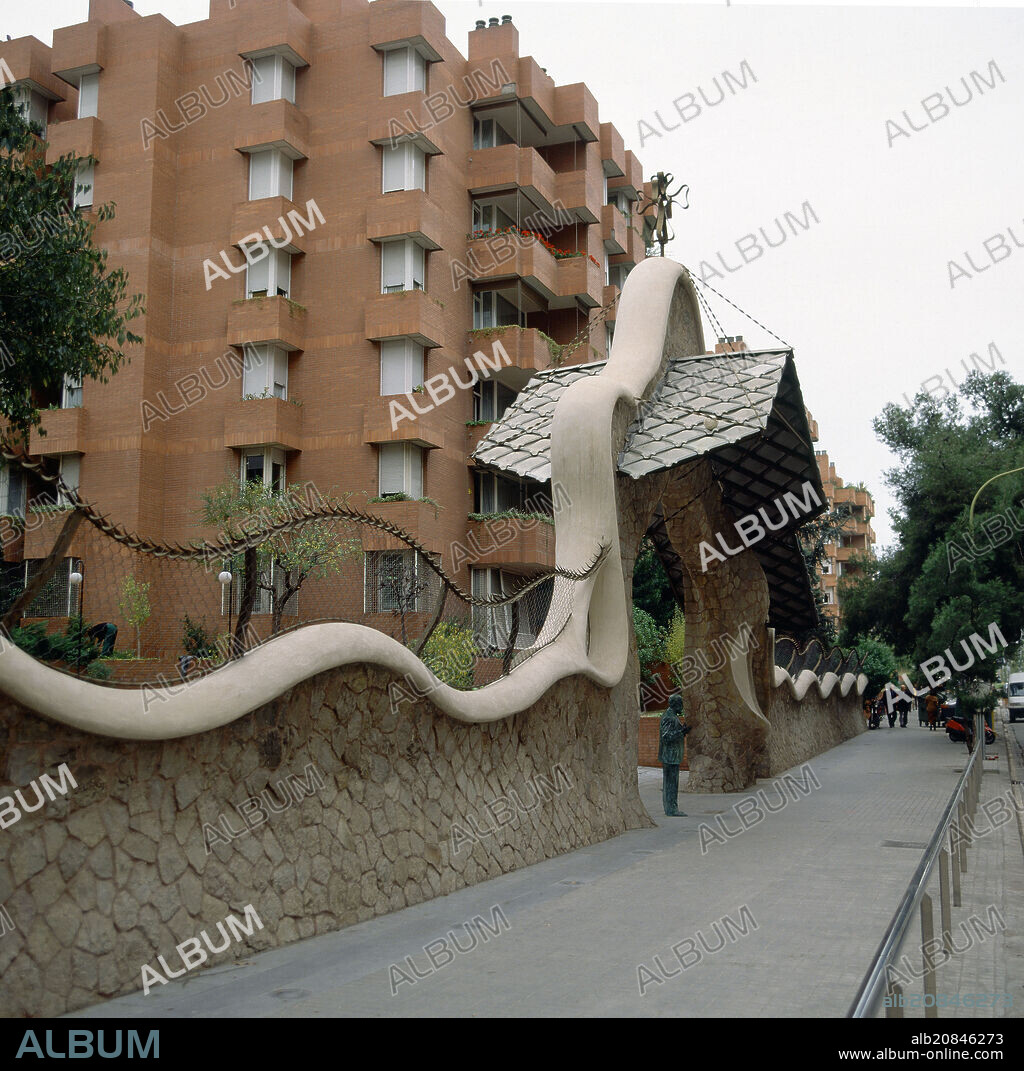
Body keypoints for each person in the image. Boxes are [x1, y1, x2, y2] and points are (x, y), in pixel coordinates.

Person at [659, 695, 691, 817]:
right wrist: (682, 732)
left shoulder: (672, 716)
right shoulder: (669, 717)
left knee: (671, 783)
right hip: (670, 756)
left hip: (672, 756)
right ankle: (671, 809)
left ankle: (671, 808)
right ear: (676, 704)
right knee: (671, 783)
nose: (682, 707)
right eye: (681, 704)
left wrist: (682, 730)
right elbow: (666, 737)